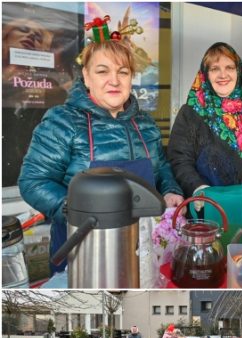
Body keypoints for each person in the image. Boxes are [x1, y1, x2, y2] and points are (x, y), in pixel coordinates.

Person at [18, 34, 183, 273]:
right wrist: (78, 210)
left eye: (123, 72)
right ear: (86, 76)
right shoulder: (63, 121)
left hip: (142, 248)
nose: (114, 81)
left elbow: (161, 168)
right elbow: (33, 181)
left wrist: (170, 190)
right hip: (84, 250)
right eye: (102, 71)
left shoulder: (145, 123)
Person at [168, 42, 242, 226]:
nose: (223, 74)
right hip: (211, 217)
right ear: (205, 74)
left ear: (239, 71)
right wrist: (197, 187)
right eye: (215, 68)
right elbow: (179, 159)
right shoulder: (191, 113)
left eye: (229, 67)